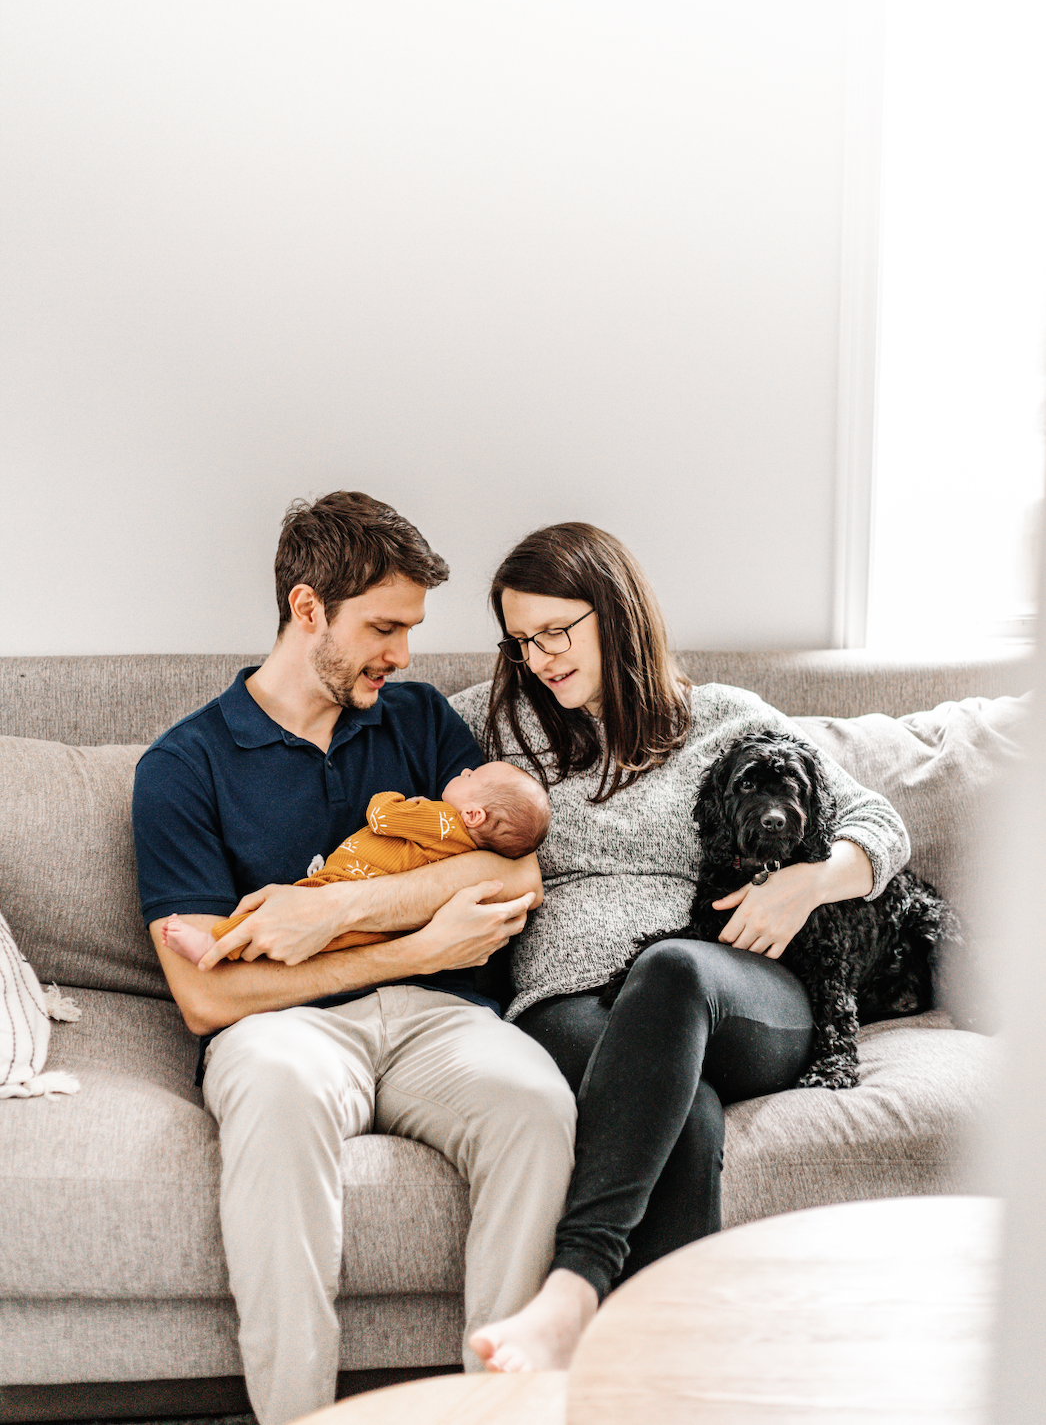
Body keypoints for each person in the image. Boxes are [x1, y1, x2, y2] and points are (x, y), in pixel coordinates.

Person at [132, 492, 575, 1425]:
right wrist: (413, 943)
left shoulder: (417, 722)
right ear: (306, 609)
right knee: (280, 1094)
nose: (403, 655)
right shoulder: (184, 766)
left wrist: (335, 909)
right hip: (279, 1031)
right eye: (382, 627)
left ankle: (497, 1414)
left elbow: (518, 865)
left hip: (441, 1022)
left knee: (537, 1104)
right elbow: (210, 1000)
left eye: (411, 628)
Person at [448, 522, 910, 1373]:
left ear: (617, 614)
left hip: (737, 991)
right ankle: (668, 1378)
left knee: (672, 968)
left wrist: (804, 883)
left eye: (559, 630)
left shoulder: (726, 720)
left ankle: (574, 1286)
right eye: (522, 641)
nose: (542, 657)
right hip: (569, 1002)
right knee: (680, 1111)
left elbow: (879, 824)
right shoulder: (492, 724)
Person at [163, 762, 551, 966]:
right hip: (376, 922)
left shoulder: (440, 819)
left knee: (278, 913)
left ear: (474, 815)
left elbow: (381, 818)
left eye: (473, 776)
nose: (466, 770)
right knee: (323, 940)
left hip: (346, 879)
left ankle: (214, 943)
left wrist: (392, 798)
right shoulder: (464, 847)